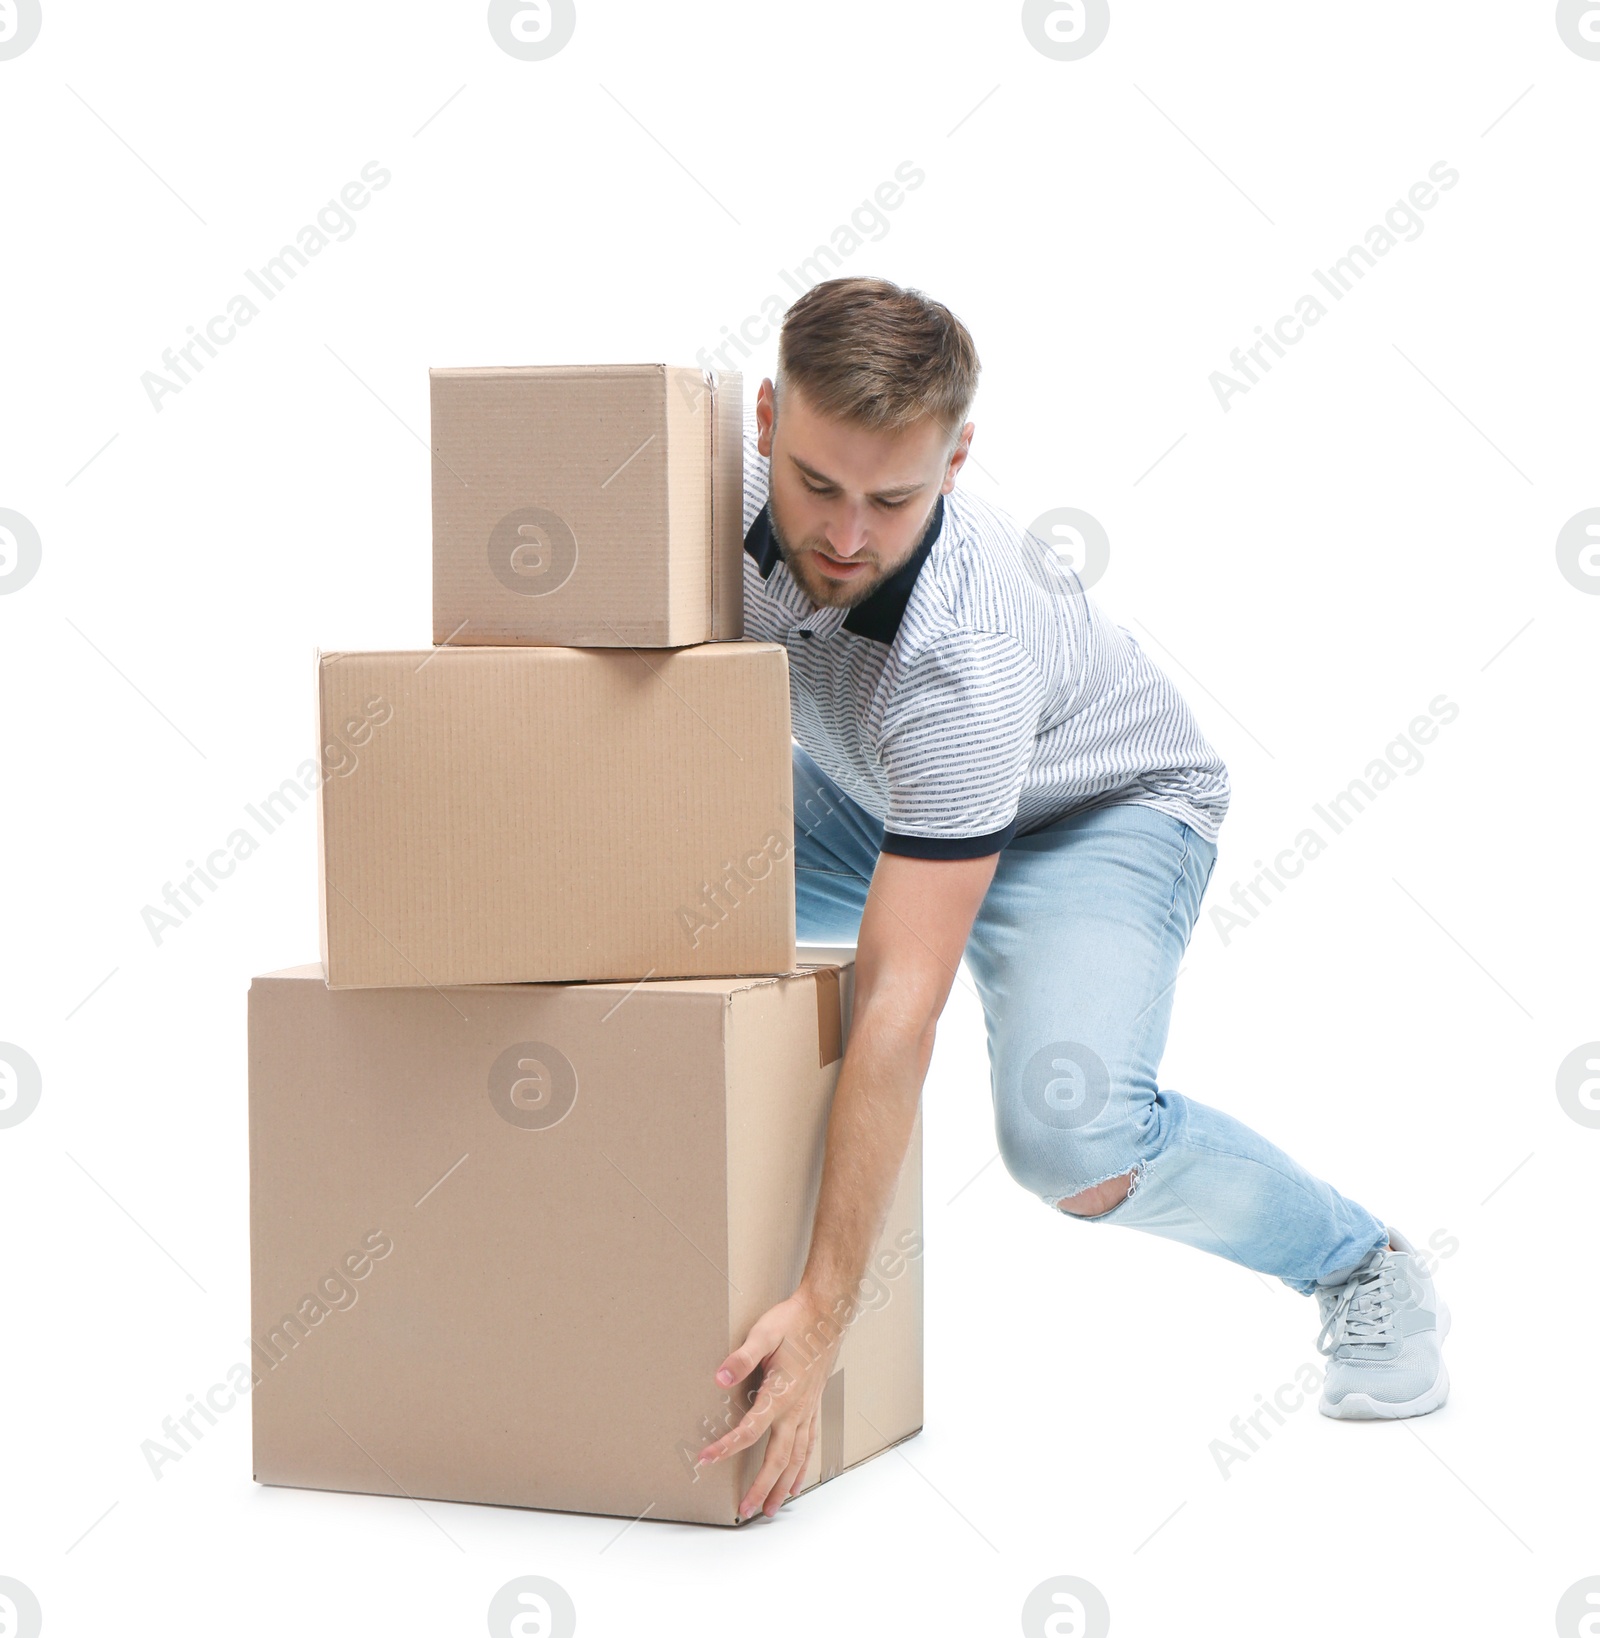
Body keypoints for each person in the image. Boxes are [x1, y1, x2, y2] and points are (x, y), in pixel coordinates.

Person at [694, 276, 1449, 1522]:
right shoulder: (699, 473)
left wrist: (827, 1313)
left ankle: (1360, 1265)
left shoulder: (960, 657)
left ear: (960, 457)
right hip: (879, 791)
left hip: (1092, 815)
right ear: (766, 417)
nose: (842, 536)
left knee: (1072, 1144)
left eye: (894, 500)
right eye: (817, 485)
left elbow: (895, 1011)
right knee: (623, 867)